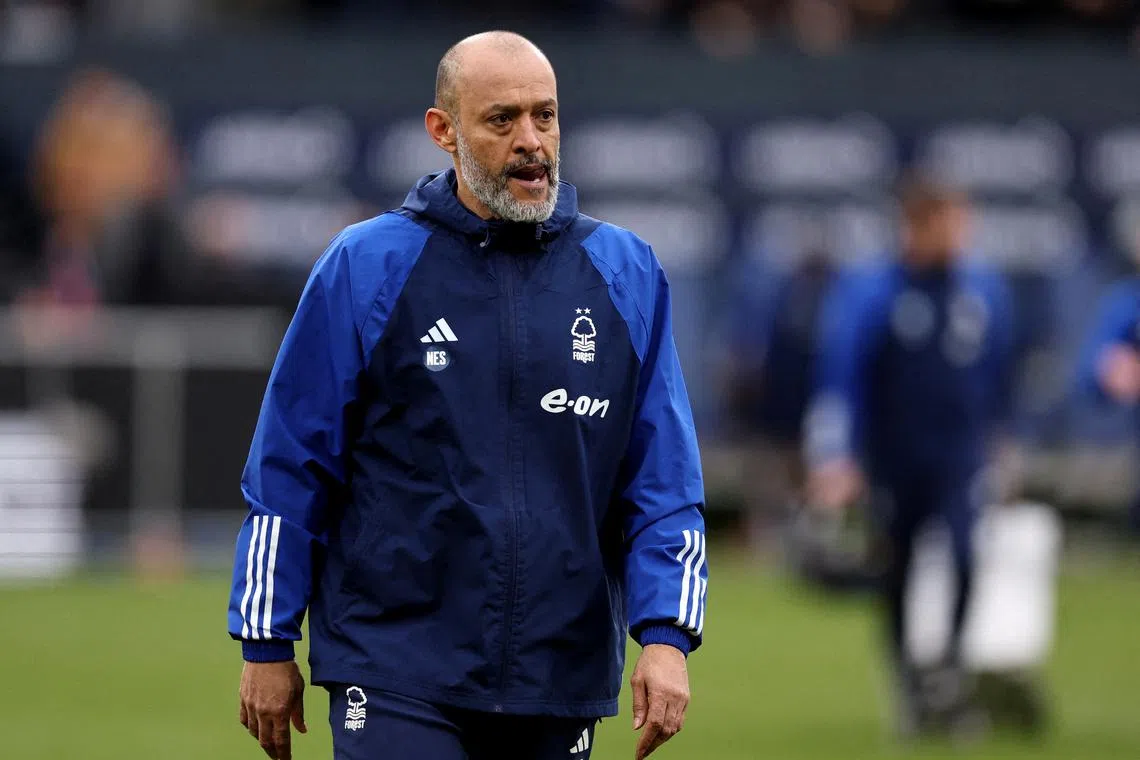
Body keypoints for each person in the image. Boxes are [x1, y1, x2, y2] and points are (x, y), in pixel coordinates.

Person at [226, 31, 707, 760]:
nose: (531, 142)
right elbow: (291, 464)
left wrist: (667, 638)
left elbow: (663, 482)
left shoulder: (626, 272)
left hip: (559, 671)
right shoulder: (365, 265)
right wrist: (266, 640)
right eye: (501, 119)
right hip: (394, 665)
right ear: (442, 131)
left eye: (545, 117)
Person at [803, 174, 1016, 736]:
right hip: (894, 458)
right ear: (915, 226)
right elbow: (842, 375)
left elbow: (998, 376)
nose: (957, 236)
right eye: (946, 223)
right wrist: (836, 457)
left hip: (959, 456)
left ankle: (948, 672)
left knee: (968, 554)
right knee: (896, 570)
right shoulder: (875, 290)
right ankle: (907, 685)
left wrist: (1001, 441)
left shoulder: (984, 290)